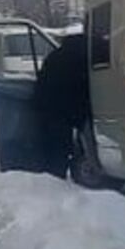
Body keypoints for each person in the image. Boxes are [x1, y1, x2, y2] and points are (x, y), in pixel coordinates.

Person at [32, 33, 92, 178]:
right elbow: (81, 88)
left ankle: (49, 176)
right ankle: (57, 177)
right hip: (64, 112)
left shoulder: (54, 56)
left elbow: (42, 82)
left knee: (50, 146)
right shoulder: (81, 59)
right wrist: (81, 115)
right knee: (61, 147)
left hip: (46, 108)